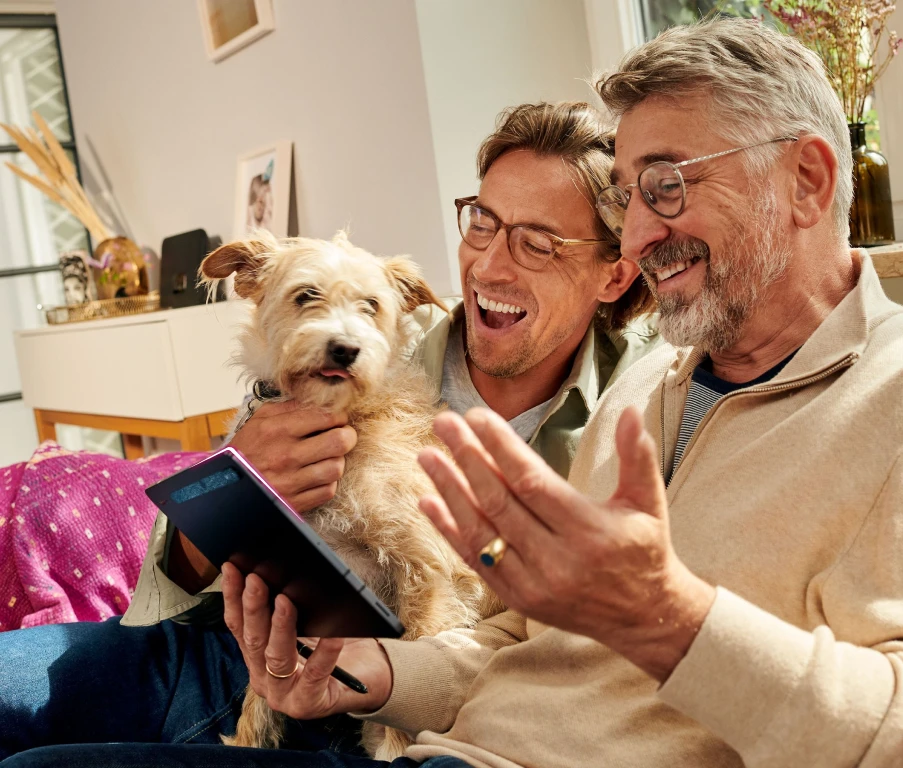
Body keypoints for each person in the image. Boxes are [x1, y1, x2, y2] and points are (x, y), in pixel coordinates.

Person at [211, 17, 903, 768]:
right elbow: (518, 642)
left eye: (667, 187)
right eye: (628, 198)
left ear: (807, 180)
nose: (641, 234)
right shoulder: (650, 383)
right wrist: (372, 672)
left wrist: (669, 619)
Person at [0, 102, 659, 766]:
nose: (488, 267)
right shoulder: (370, 337)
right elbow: (175, 574)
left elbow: (577, 657)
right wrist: (232, 483)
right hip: (211, 650)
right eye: (483, 222)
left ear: (616, 272)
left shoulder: (647, 411)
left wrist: (399, 694)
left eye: (538, 243)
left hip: (393, 713)